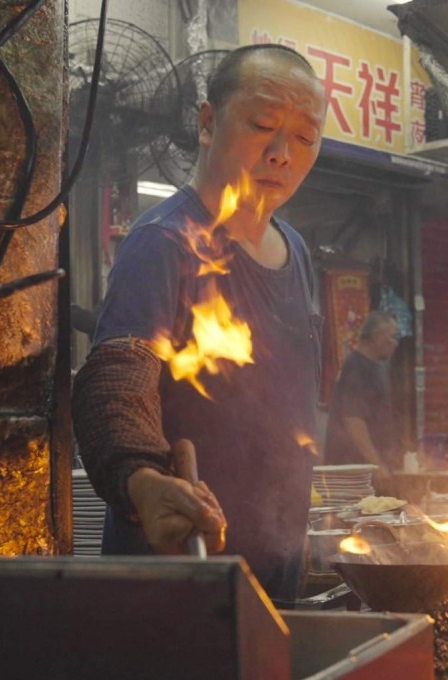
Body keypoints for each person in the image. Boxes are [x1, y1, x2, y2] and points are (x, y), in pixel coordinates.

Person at [72, 44, 327, 601]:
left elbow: (289, 410)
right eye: (263, 125)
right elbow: (117, 379)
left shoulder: (298, 251)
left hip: (274, 581)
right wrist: (141, 479)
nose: (282, 153)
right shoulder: (165, 241)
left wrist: (299, 533)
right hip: (177, 582)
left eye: (306, 138)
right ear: (208, 123)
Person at [323, 311, 401, 490]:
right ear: (376, 337)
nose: (395, 344)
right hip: (352, 473)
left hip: (365, 471)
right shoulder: (356, 368)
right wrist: (376, 464)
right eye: (392, 337)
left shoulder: (374, 367)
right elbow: (353, 421)